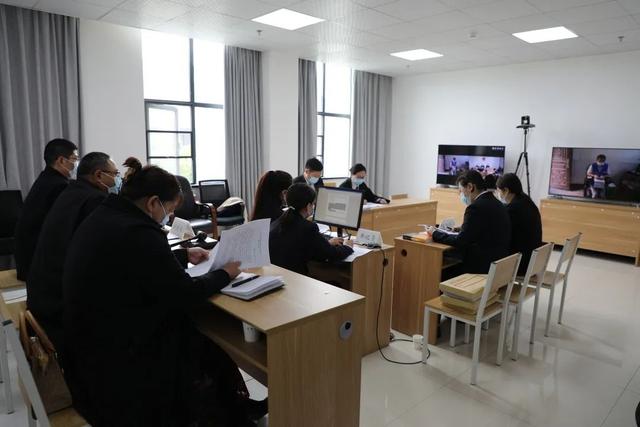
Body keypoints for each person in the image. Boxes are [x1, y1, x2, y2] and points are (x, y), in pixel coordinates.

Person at [62, 163, 266, 426]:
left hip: (88, 342)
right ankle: (227, 414)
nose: (169, 216)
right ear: (153, 203)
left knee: (203, 342)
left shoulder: (108, 214)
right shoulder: (139, 232)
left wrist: (183, 254)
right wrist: (224, 274)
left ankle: (235, 408)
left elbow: (138, 265)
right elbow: (185, 293)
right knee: (201, 342)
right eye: (169, 210)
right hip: (116, 355)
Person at [27, 152, 121, 351]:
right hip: (60, 308)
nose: (117, 179)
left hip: (41, 296)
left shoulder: (71, 192)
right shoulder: (95, 201)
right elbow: (105, 253)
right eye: (115, 174)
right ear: (98, 175)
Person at [14, 138, 78, 281]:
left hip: (28, 257)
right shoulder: (59, 185)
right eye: (74, 159)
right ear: (61, 160)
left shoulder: (47, 178)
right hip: (37, 264)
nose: (76, 164)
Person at [429, 170, 510, 274]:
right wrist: (461, 229)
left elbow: (460, 241)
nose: (461, 195)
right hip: (498, 265)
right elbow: (481, 230)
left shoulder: (475, 208)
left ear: (470, 187)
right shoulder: (498, 203)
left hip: (481, 268)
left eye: (461, 191)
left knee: (442, 272)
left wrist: (434, 233)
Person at [269, 184, 354, 275]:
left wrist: (327, 243)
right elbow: (331, 254)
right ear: (308, 206)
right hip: (295, 278)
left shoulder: (278, 222)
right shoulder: (308, 227)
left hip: (276, 275)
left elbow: (300, 245)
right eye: (313, 204)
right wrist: (347, 246)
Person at [496, 173, 542, 276]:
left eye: (498, 191)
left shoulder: (513, 209)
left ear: (506, 190)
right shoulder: (526, 200)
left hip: (521, 264)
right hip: (533, 261)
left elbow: (502, 234)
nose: (498, 194)